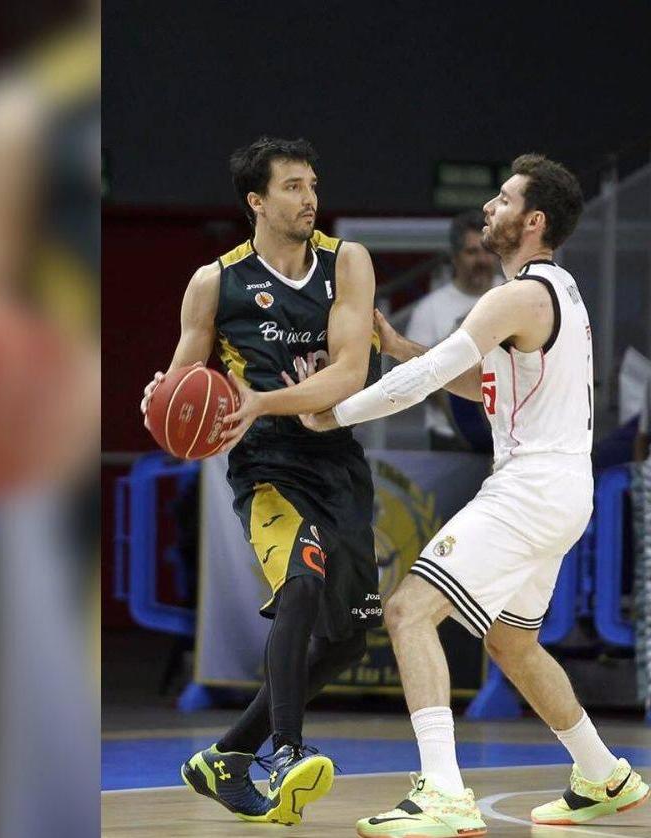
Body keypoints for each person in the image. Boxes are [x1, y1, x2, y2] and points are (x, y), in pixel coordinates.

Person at [285, 154, 651, 837]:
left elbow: (427, 380)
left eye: (503, 199)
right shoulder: (556, 292)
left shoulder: (513, 297)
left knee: (407, 611)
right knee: (513, 645)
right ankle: (604, 774)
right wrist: (396, 346)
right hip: (560, 492)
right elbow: (486, 388)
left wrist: (331, 415)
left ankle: (443, 795)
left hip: (531, 489)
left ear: (534, 220)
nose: (489, 208)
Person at [139, 136, 383, 825]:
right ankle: (284, 749)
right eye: (294, 187)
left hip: (337, 464)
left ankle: (227, 755)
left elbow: (348, 374)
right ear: (257, 201)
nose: (310, 198)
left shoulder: (347, 263)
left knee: (349, 639)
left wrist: (261, 400)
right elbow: (185, 380)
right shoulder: (215, 281)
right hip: (266, 466)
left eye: (313, 185)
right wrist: (163, 400)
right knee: (300, 579)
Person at [404, 210, 501, 450]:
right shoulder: (429, 309)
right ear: (455, 258)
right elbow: (414, 377)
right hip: (450, 440)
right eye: (472, 252)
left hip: (509, 438)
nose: (481, 260)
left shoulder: (514, 293)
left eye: (487, 251)